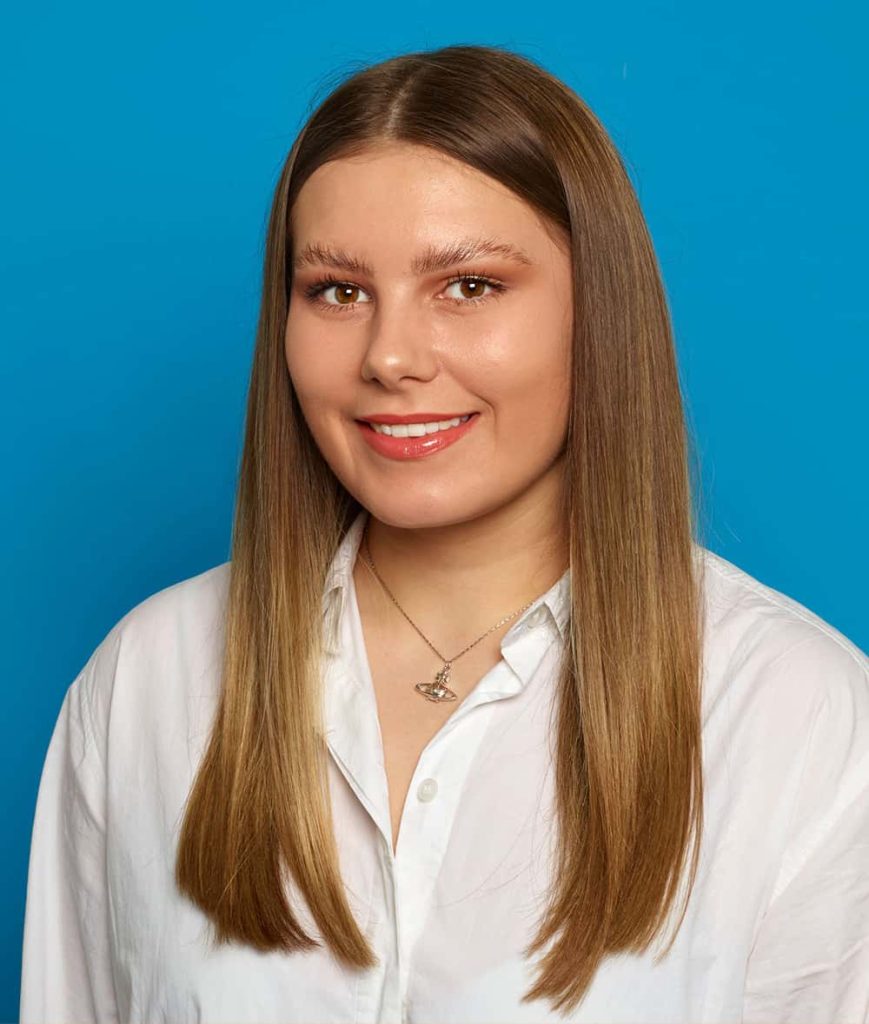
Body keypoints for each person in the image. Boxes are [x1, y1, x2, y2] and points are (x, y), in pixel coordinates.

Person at [19, 43, 869, 1024]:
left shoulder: (801, 722)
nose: (387, 355)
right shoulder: (144, 685)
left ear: (595, 310)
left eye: (467, 286)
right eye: (336, 290)